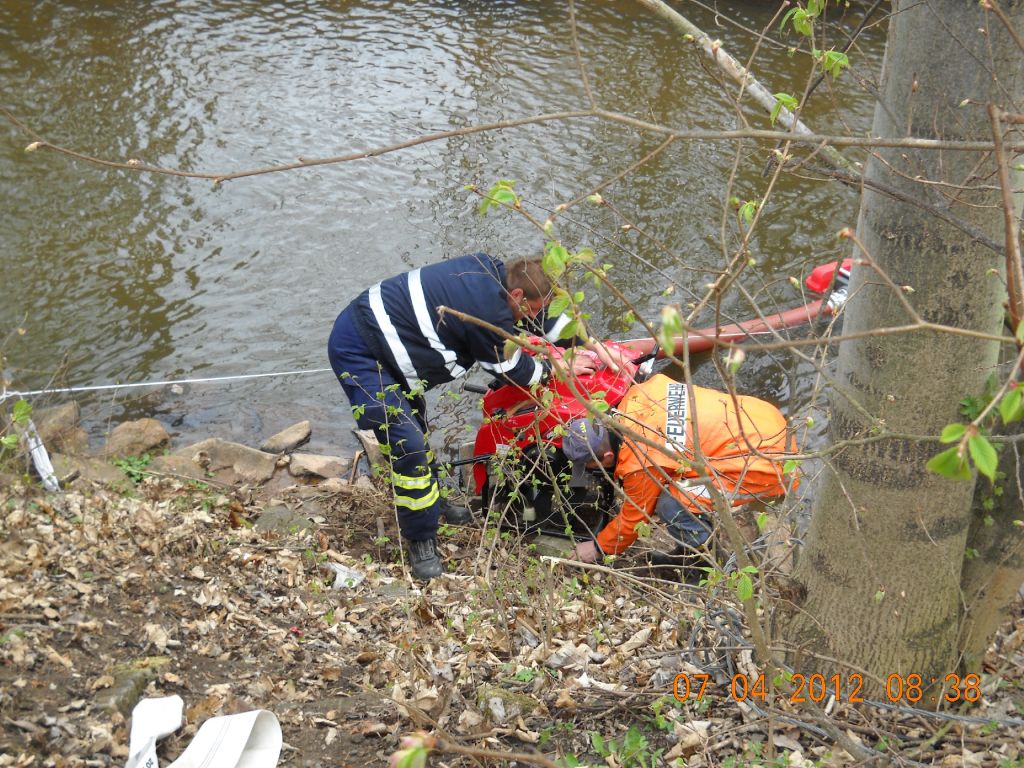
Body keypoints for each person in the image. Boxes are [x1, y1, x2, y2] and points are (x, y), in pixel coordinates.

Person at [328, 252, 635, 580]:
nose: (533, 315)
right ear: (516, 296)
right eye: (530, 308)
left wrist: (594, 345)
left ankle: (436, 508)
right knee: (410, 446)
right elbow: (512, 368)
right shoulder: (484, 310)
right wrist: (555, 367)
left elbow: (545, 320)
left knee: (415, 425)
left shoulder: (497, 276)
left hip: (388, 341)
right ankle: (421, 542)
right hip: (361, 351)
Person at [564, 372, 796, 580]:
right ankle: (690, 547)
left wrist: (597, 547)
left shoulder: (640, 458)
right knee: (672, 486)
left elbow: (635, 518)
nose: (592, 470)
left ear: (606, 455)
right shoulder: (637, 396)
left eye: (591, 465)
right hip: (765, 419)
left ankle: (702, 563)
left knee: (669, 504)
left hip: (768, 464)